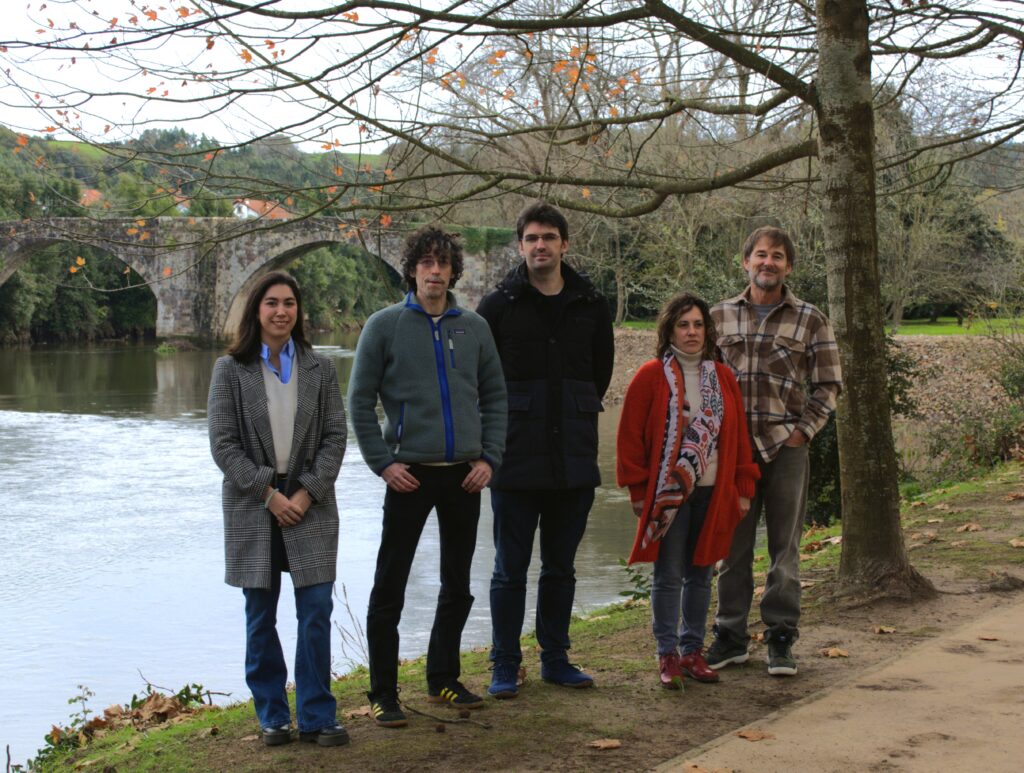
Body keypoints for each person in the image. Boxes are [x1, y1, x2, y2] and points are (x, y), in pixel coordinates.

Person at [347, 226, 507, 728]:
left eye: (443, 263)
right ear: (412, 270)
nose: (434, 271)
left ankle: (443, 678)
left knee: (457, 583)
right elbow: (359, 402)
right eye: (426, 263)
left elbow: (495, 397)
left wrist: (489, 459)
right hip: (409, 476)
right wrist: (383, 463)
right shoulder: (384, 326)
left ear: (453, 271)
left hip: (464, 476)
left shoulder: (474, 328)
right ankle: (383, 692)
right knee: (389, 586)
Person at [478, 201, 614, 698]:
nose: (541, 246)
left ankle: (555, 659)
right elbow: (481, 380)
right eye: (532, 238)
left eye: (549, 237)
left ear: (564, 244)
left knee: (561, 567)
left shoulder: (591, 304)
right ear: (520, 246)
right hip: (514, 459)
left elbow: (599, 373)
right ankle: (505, 663)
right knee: (508, 569)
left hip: (573, 460)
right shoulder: (497, 306)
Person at [207, 271, 349, 747]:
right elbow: (223, 446)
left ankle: (316, 716)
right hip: (254, 503)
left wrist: (307, 491)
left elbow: (335, 437)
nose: (281, 311)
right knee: (260, 616)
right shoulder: (230, 370)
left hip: (311, 500)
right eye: (272, 303)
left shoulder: (321, 369)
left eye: (289, 303)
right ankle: (272, 716)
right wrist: (268, 494)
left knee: (316, 610)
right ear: (257, 310)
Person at [707, 226, 842, 676]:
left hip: (786, 450)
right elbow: (703, 381)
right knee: (732, 548)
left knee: (785, 550)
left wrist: (803, 433)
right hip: (733, 453)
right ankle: (730, 636)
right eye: (761, 254)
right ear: (745, 261)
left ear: (789, 266)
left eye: (778, 256)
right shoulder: (718, 316)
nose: (768, 262)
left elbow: (828, 383)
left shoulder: (810, 318)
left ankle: (781, 638)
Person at [616, 293, 759, 689]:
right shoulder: (651, 376)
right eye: (683, 325)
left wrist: (743, 488)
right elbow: (630, 437)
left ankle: (692, 651)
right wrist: (638, 490)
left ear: (707, 331)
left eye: (698, 325)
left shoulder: (723, 378)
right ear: (670, 331)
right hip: (669, 495)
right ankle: (667, 654)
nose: (691, 332)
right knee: (668, 575)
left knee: (701, 572)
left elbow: (738, 439)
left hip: (713, 492)